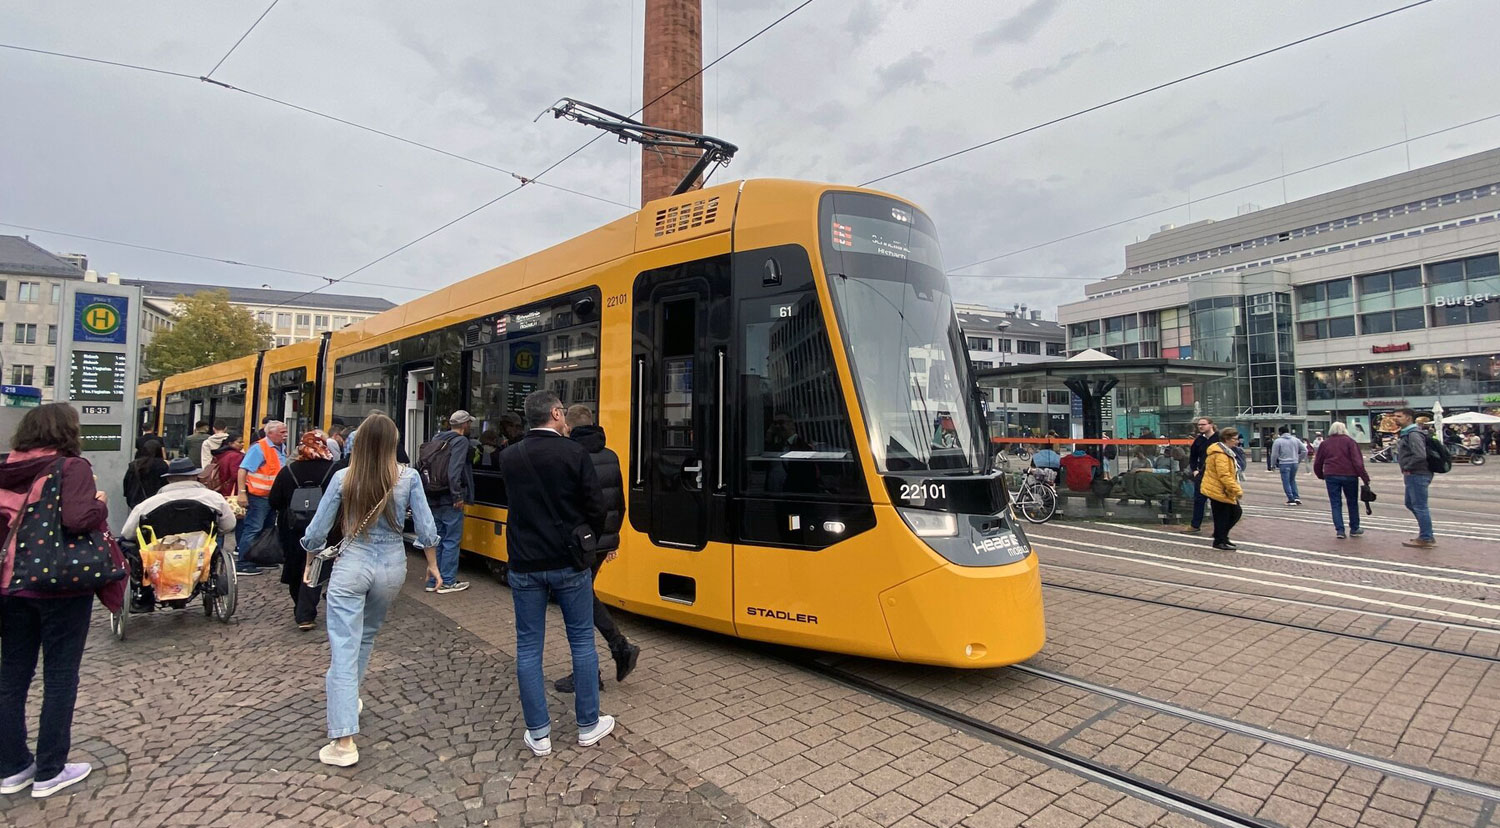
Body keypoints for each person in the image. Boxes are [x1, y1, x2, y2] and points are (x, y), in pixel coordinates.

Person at [300, 413, 441, 767]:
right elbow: (426, 528)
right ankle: (353, 700)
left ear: (358, 443)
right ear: (394, 443)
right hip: (392, 567)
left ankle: (344, 739)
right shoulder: (408, 477)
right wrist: (435, 566)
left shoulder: (343, 477)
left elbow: (317, 532)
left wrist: (308, 555)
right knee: (365, 638)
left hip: (352, 564)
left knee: (344, 647)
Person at [0, 404, 113, 798]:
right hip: (62, 584)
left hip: (12, 586)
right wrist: (99, 501)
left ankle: (11, 766)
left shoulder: (7, 466)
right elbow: (79, 519)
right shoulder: (71, 467)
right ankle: (51, 769)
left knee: (12, 677)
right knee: (60, 676)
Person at [497, 390, 613, 757]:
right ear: (556, 413)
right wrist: (585, 536)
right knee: (581, 640)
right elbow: (596, 506)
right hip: (568, 561)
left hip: (525, 563)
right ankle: (588, 725)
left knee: (528, 646)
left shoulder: (509, 456)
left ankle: (539, 734)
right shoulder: (574, 453)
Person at [554, 405, 639, 694]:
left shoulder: (568, 456)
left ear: (569, 426)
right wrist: (611, 540)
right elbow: (619, 502)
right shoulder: (610, 455)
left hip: (579, 542)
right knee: (582, 596)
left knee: (576, 602)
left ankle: (600, 664)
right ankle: (618, 650)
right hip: (601, 541)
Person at [119, 457, 239, 612]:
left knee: (125, 545)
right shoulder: (213, 498)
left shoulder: (149, 503)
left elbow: (127, 533)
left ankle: (144, 592)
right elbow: (230, 525)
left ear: (169, 480)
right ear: (195, 476)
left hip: (159, 555)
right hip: (199, 553)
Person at [269, 431, 337, 630]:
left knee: (295, 564)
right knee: (317, 564)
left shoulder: (288, 471)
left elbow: (274, 500)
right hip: (325, 526)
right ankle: (306, 612)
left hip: (292, 528)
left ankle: (300, 606)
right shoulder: (333, 470)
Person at [421, 410, 475, 595]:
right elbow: (454, 471)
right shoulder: (461, 441)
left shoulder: (437, 438)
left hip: (433, 496)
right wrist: (457, 496)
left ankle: (434, 581)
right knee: (451, 540)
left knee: (439, 539)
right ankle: (448, 582)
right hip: (449, 499)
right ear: (465, 424)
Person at [235, 420, 289, 575]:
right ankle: (244, 562)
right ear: (270, 433)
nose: (285, 435)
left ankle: (261, 557)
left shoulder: (281, 448)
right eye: (282, 432)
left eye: (285, 432)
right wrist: (242, 492)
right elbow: (243, 470)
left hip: (272, 497)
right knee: (254, 528)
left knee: (267, 529)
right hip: (259, 496)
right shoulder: (259, 448)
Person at [1312, 422, 1369, 540]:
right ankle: (1354, 528)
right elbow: (1357, 462)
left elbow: (1318, 461)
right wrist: (1364, 477)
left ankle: (1340, 530)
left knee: (1335, 503)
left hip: (1331, 474)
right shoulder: (1350, 442)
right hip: (1350, 475)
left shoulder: (1325, 443)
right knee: (1352, 502)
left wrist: (1320, 474)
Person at [1393, 408, 1436, 548]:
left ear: (1408, 418)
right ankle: (1426, 533)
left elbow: (1420, 455)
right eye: (1395, 416)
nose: (1395, 419)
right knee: (1411, 503)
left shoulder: (1413, 434)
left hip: (1417, 473)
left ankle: (1426, 537)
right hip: (1414, 474)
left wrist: (1407, 467)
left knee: (1420, 506)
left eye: (1399, 416)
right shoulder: (1407, 434)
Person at [1200, 427, 1244, 551]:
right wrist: (1237, 490)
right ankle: (1219, 540)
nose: (1237, 442)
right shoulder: (1220, 454)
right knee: (1226, 515)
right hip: (1218, 490)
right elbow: (1224, 475)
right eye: (1234, 439)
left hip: (1221, 489)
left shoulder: (1225, 452)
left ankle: (1222, 536)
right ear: (1227, 439)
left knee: (1233, 513)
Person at [1181, 417, 1219, 535]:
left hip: (1215, 474)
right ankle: (1195, 525)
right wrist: (1195, 470)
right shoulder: (1199, 440)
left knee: (1216, 502)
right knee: (1199, 500)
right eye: (1199, 425)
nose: (1201, 427)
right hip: (1202, 474)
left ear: (1211, 425)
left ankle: (1218, 528)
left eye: (1203, 424)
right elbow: (1193, 457)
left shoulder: (1218, 438)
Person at [123, 438, 169, 508]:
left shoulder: (134, 465)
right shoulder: (163, 465)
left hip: (136, 502)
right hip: (156, 503)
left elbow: (127, 483)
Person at [1270, 426, 1306, 506]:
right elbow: (1304, 450)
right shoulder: (1296, 440)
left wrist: (1272, 464)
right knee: (1292, 480)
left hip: (1284, 463)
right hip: (1294, 462)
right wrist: (1298, 459)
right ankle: (1296, 497)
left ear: (1280, 433)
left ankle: (1291, 499)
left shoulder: (1278, 441)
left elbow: (1274, 454)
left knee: (1286, 481)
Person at [206, 431, 244, 499]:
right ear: (230, 443)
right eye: (240, 442)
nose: (243, 444)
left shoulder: (220, 454)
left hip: (220, 488)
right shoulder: (236, 456)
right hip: (232, 489)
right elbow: (236, 475)